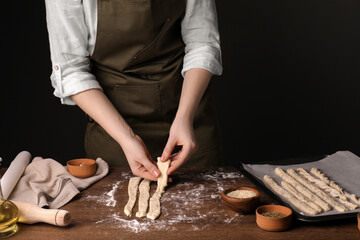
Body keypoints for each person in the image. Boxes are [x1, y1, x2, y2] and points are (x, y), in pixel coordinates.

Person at [45, 0, 223, 181]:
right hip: (114, 130)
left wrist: (185, 116)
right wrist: (127, 139)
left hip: (188, 116)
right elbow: (71, 71)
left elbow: (202, 43)